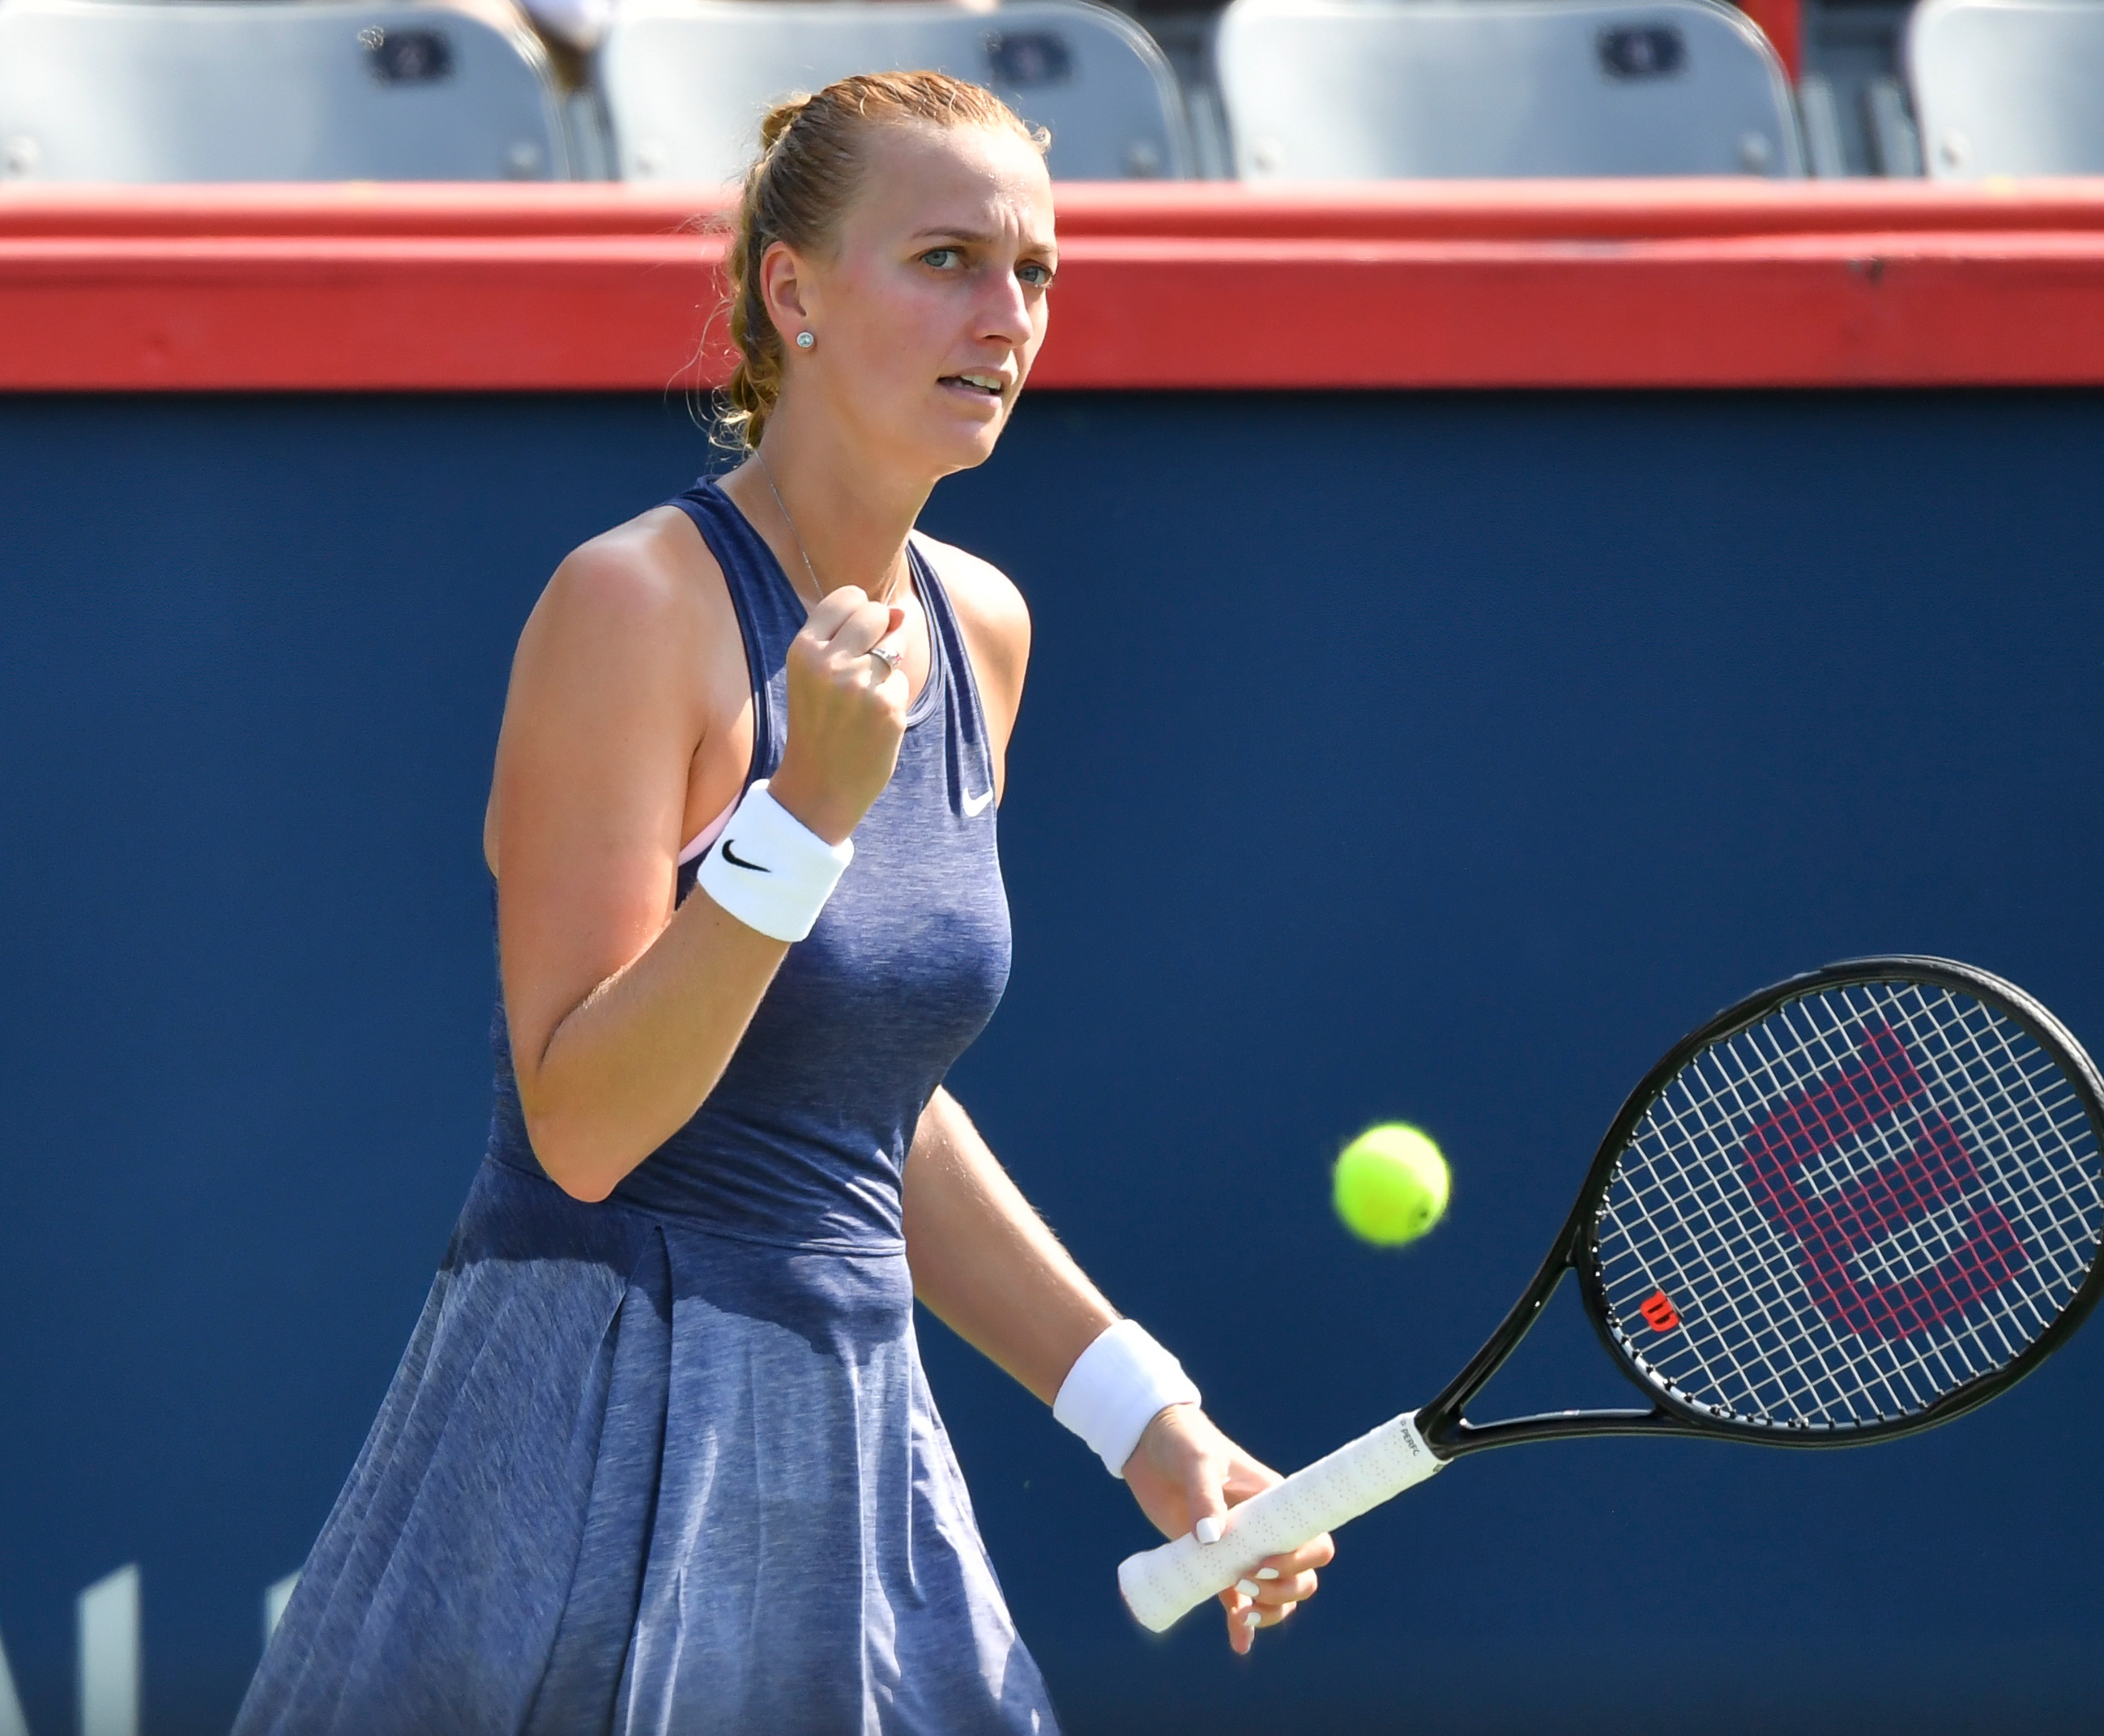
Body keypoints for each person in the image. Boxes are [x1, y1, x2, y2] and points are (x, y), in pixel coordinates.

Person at [234, 71, 1329, 1735]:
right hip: (594, 1433)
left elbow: (864, 1110)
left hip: (851, 1418)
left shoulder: (983, 631)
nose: (1007, 314)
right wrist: (804, 813)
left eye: (1037, 270)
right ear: (792, 290)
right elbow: (584, 1122)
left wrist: (1143, 1414)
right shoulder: (632, 608)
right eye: (948, 258)